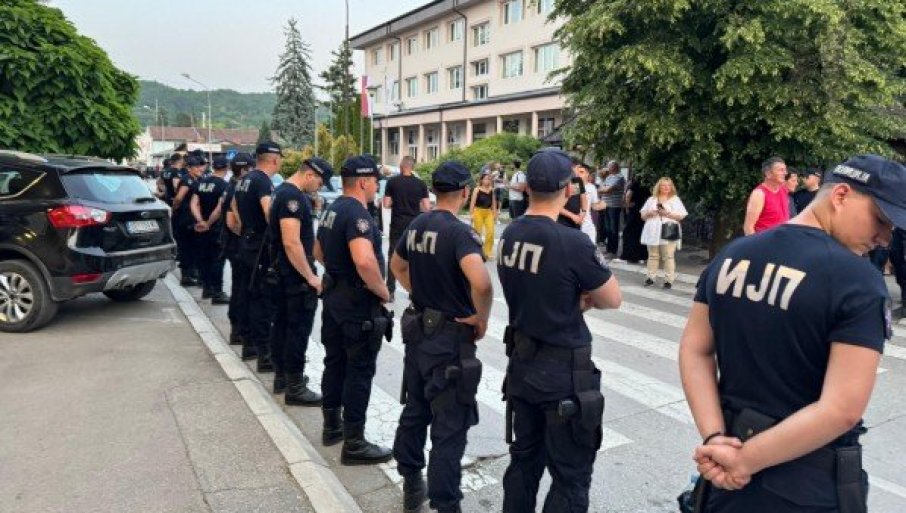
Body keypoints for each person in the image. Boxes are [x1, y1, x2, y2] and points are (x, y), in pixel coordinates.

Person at [680, 154, 906, 513]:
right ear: (841, 195)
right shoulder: (858, 281)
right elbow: (841, 410)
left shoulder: (733, 254)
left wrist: (715, 437)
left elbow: (695, 350)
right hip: (806, 483)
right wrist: (743, 461)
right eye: (880, 220)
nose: (884, 238)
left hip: (725, 471)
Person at [498, 148, 622, 512]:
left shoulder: (511, 232)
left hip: (522, 364)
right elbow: (612, 298)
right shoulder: (571, 241)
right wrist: (580, 300)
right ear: (568, 188)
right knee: (570, 476)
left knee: (524, 462)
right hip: (563, 372)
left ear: (527, 188)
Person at [391, 161, 493, 513]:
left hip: (419, 330)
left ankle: (411, 483)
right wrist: (481, 317)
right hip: (449, 337)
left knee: (416, 409)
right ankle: (446, 504)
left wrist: (419, 292)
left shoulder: (418, 224)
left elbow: (397, 265)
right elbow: (482, 283)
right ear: (465, 192)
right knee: (449, 426)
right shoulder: (459, 233)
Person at [314, 155, 393, 465]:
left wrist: (338, 272)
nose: (376, 187)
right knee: (359, 371)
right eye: (374, 182)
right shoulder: (358, 214)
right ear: (363, 182)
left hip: (334, 297)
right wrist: (382, 290)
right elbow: (363, 259)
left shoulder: (331, 209)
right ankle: (355, 443)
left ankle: (332, 427)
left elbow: (317, 250)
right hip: (357, 304)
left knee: (335, 363)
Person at [268, 157, 333, 404]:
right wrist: (311, 277)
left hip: (282, 273)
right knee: (297, 331)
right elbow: (291, 242)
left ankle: (283, 378)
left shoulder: (280, 191)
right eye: (319, 182)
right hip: (295, 276)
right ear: (310, 175)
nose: (318, 187)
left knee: (282, 327)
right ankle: (294, 387)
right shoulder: (293, 197)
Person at [232, 142, 280, 367]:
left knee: (247, 295)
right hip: (260, 247)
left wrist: (244, 226)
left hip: (246, 241)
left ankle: (249, 344)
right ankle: (265, 354)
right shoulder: (262, 181)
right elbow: (269, 212)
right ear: (274, 159)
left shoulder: (244, 179)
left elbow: (233, 205)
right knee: (263, 300)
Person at [383, 156, 430, 300]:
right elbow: (426, 208)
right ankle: (413, 292)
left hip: (397, 224)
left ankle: (390, 291)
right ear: (412, 167)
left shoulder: (392, 182)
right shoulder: (420, 184)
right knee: (414, 257)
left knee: (393, 256)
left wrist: (396, 202)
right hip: (414, 225)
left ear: (401, 166)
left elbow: (386, 204)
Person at [190, 156, 230, 303]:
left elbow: (194, 203)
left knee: (204, 258)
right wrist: (208, 223)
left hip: (201, 228)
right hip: (216, 228)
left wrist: (200, 220)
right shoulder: (224, 185)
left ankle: (207, 289)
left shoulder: (201, 183)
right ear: (226, 168)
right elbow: (219, 208)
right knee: (217, 260)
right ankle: (217, 292)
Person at [223, 153, 253, 346]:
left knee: (239, 288)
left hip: (234, 244)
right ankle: (239, 331)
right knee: (243, 289)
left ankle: (237, 330)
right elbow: (231, 221)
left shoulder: (233, 186)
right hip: (238, 245)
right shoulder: (237, 188)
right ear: (244, 169)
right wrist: (244, 232)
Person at [640, 177, 688, 289]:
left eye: (668, 185)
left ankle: (668, 280)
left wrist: (667, 213)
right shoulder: (652, 199)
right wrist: (649, 213)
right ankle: (650, 278)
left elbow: (681, 216)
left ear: (671, 187)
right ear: (659, 187)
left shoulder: (675, 199)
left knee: (668, 256)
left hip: (669, 229)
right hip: (653, 230)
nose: (666, 187)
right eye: (663, 185)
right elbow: (642, 216)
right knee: (653, 255)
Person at [172, 154, 206, 287]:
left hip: (193, 218)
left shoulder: (198, 179)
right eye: (196, 167)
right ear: (189, 168)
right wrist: (174, 209)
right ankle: (186, 276)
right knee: (186, 248)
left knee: (194, 247)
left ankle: (193, 272)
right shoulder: (187, 180)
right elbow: (179, 198)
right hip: (185, 218)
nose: (200, 169)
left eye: (200, 166)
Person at [743, 156, 789, 235]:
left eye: (785, 170)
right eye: (781, 170)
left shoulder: (783, 189)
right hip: (765, 241)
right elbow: (748, 227)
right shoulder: (759, 194)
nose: (785, 173)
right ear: (768, 174)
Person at [619, 175, 650, 264]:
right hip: (644, 211)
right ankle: (642, 256)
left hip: (634, 211)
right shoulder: (648, 185)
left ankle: (629, 255)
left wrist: (627, 206)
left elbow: (628, 195)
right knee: (641, 233)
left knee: (629, 233)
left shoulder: (635, 184)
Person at [599, 161, 625, 256]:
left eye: (609, 166)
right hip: (606, 205)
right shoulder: (609, 177)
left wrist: (605, 189)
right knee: (607, 228)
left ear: (615, 167)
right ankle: (608, 249)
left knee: (614, 229)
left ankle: (613, 251)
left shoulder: (620, 177)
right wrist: (604, 189)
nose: (608, 168)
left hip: (614, 206)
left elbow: (607, 190)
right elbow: (601, 189)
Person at [469, 171, 498, 258]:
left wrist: (495, 214)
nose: (487, 181)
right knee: (478, 233)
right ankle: (477, 251)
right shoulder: (477, 190)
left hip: (488, 212)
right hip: (478, 212)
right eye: (486, 179)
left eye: (489, 179)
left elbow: (494, 203)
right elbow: (472, 203)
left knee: (490, 232)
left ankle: (487, 252)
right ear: (481, 180)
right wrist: (471, 214)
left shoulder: (492, 190)